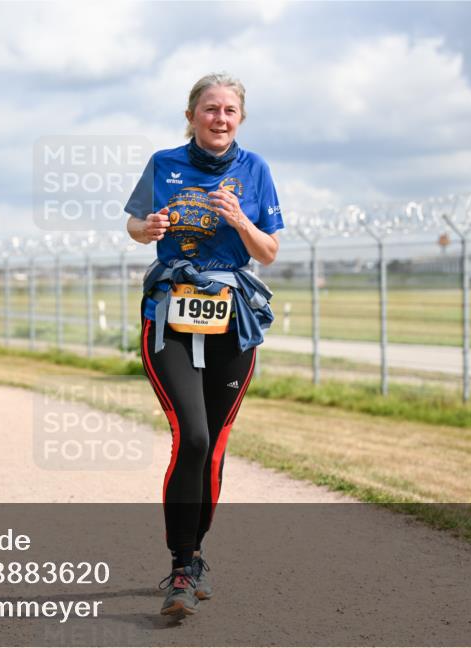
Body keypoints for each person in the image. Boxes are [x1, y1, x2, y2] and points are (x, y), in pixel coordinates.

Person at [125, 73, 284, 616]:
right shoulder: (164, 163)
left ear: (240, 118)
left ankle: (193, 561)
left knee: (213, 443)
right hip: (170, 311)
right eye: (210, 108)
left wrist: (240, 220)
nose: (220, 118)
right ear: (191, 114)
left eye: (230, 110)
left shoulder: (255, 169)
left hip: (232, 319)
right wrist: (146, 229)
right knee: (190, 435)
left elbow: (268, 253)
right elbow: (134, 225)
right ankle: (180, 564)